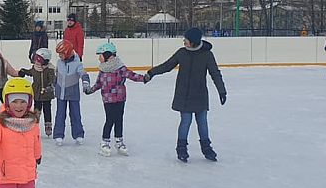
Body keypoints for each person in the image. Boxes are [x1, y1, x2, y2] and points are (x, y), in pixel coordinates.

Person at [145, 28, 227, 163]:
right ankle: (181, 149)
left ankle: (207, 149)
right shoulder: (182, 53)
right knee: (185, 122)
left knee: (202, 123)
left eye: (186, 39)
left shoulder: (207, 55)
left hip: (200, 95)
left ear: (193, 41)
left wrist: (222, 91)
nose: (184, 41)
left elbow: (215, 73)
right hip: (184, 95)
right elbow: (167, 65)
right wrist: (152, 72)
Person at [83, 42, 146, 157]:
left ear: (108, 55)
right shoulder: (102, 70)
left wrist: (144, 78)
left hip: (120, 98)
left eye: (100, 55)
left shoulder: (120, 68)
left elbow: (132, 75)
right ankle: (105, 143)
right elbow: (98, 84)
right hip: (108, 99)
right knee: (110, 119)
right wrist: (90, 90)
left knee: (119, 119)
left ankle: (119, 142)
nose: (98, 57)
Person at [52, 39, 89, 146]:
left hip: (73, 94)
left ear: (67, 52)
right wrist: (53, 85)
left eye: (61, 54)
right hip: (60, 93)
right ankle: (58, 135)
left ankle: (78, 134)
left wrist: (86, 83)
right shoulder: (59, 62)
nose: (59, 56)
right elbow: (56, 76)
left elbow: (83, 74)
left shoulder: (77, 63)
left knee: (75, 114)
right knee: (60, 114)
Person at [18, 48, 56, 137]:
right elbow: (31, 72)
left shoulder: (49, 69)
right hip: (37, 93)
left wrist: (50, 86)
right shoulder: (35, 67)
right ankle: (35, 124)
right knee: (37, 109)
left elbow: (52, 79)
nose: (36, 60)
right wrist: (24, 71)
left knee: (47, 109)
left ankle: (48, 125)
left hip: (46, 93)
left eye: (38, 58)